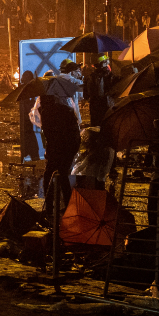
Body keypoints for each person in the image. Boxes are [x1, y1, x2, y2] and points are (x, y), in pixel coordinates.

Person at [38, 62, 83, 215]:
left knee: (51, 174)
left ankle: (51, 207)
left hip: (61, 146)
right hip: (67, 145)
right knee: (61, 174)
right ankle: (64, 205)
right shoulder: (61, 109)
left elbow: (51, 132)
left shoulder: (48, 111)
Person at [83, 54, 118, 127]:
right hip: (107, 106)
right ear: (103, 64)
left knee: (96, 127)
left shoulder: (89, 77)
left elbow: (86, 95)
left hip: (94, 108)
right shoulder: (110, 76)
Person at [17, 71, 42, 162]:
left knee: (30, 140)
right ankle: (33, 157)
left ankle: (33, 157)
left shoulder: (25, 90)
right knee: (30, 141)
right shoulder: (24, 90)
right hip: (26, 122)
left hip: (27, 122)